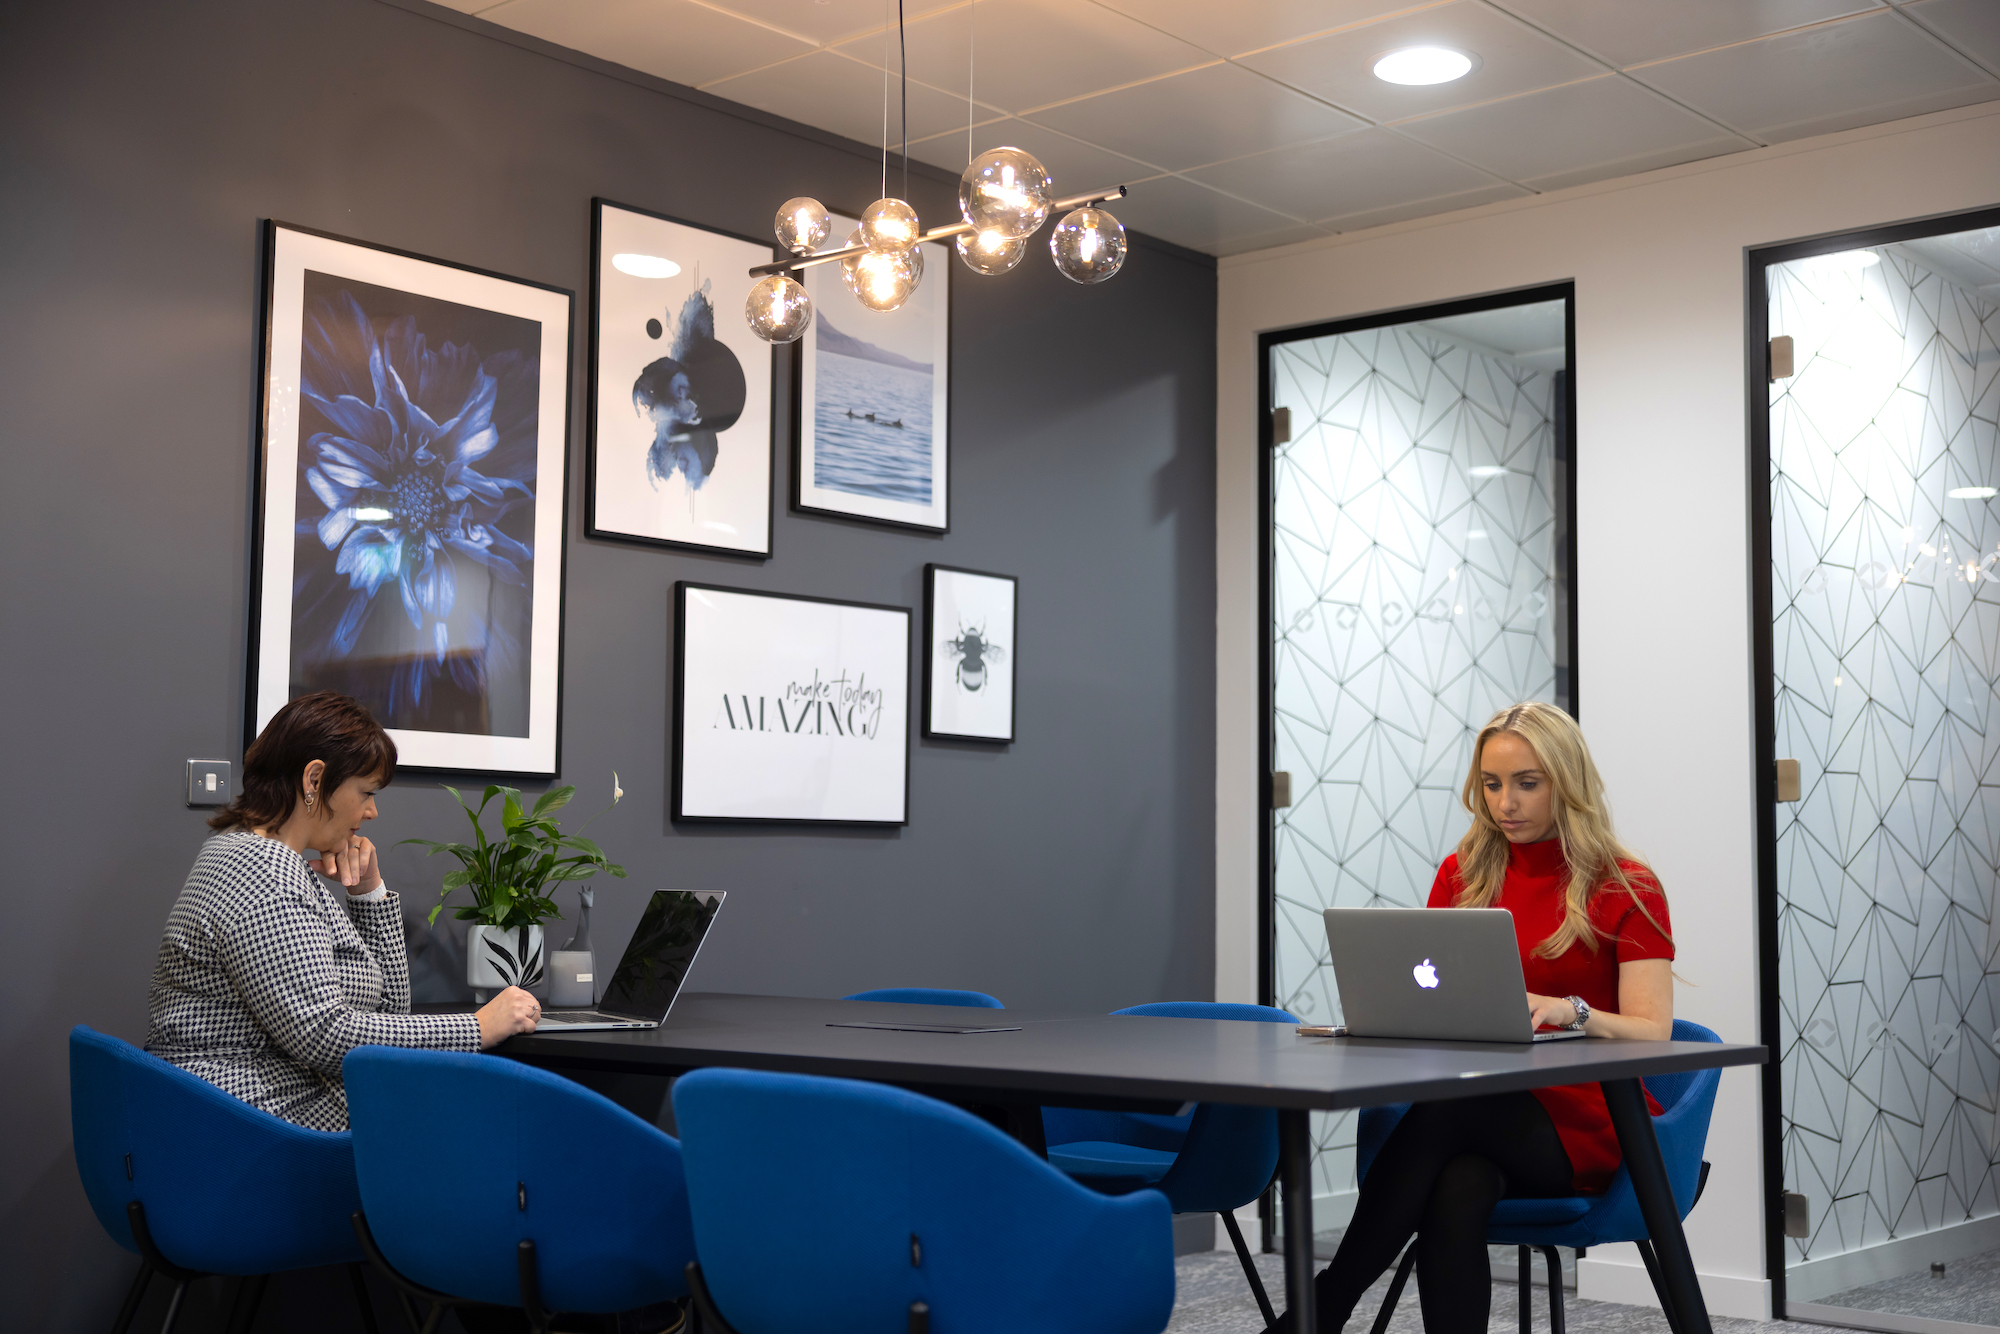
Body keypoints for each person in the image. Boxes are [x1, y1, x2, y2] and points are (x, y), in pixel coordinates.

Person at [1296, 701, 1674, 1334]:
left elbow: (1654, 1031)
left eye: (1527, 784)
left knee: (1451, 1110)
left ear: (1567, 783)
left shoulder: (1625, 885)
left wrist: (1571, 1012)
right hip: (1482, 1115)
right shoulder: (1464, 873)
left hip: (1587, 1121)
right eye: (1492, 785)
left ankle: (1325, 1305)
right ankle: (1324, 1309)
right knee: (1459, 1187)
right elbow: (1432, 997)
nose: (1506, 803)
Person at [147, 691, 541, 1131]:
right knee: (499, 1121)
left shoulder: (253, 856)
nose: (372, 811)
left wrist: (368, 892)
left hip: (248, 1111)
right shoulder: (265, 875)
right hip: (252, 1125)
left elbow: (390, 1014)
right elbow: (324, 1034)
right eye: (366, 792)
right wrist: (477, 1027)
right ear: (314, 779)